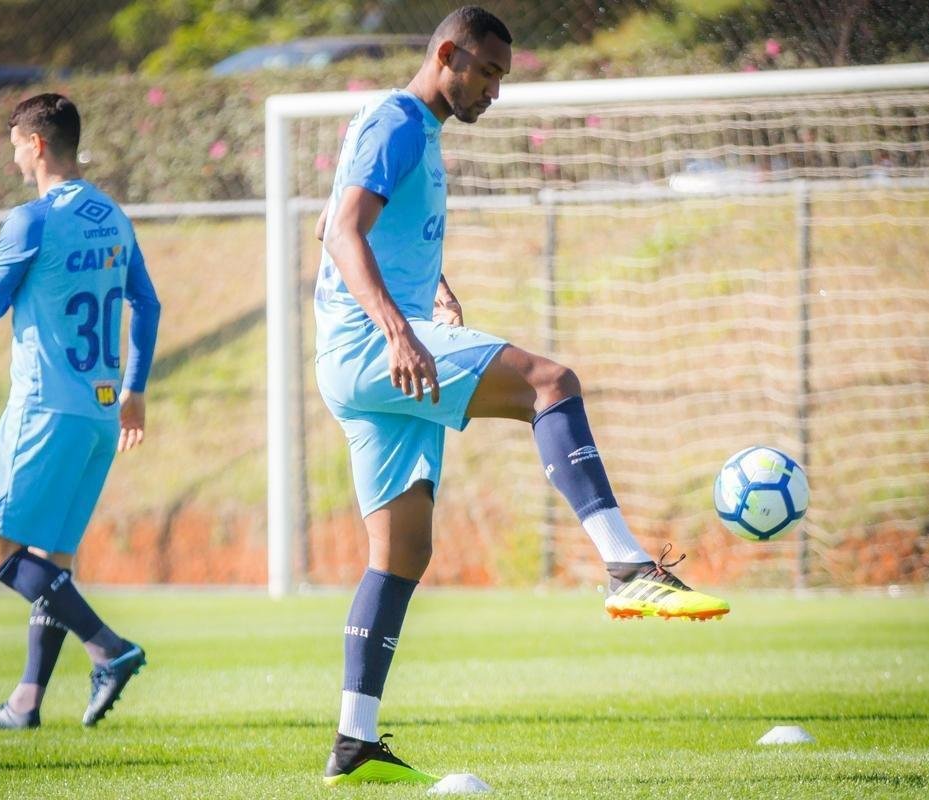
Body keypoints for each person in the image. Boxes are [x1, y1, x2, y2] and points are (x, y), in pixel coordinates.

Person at [312, 5, 729, 785]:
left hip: (360, 356)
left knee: (401, 553)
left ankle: (353, 738)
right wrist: (399, 332)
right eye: (489, 73)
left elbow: (349, 227)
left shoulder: (411, 131)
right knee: (551, 384)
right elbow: (340, 233)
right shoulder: (399, 119)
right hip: (375, 348)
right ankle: (624, 566)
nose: (496, 92)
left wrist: (429, 289)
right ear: (448, 55)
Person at [0, 93, 161, 731]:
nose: (14, 153)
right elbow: (147, 306)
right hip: (103, 413)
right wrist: (135, 389)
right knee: (52, 558)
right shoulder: (113, 216)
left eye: (16, 142)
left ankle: (108, 648)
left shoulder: (29, 221)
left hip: (44, 408)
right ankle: (26, 701)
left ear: (38, 144)